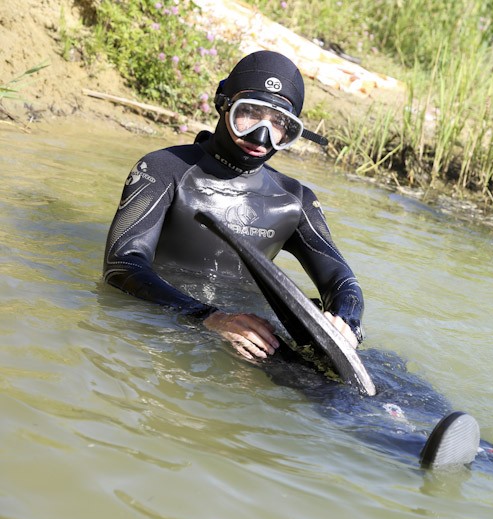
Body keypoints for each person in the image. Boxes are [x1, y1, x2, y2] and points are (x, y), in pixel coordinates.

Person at [103, 50, 364, 363]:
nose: (261, 134)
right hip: (175, 324)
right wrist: (209, 318)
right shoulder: (163, 169)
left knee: (385, 378)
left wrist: (345, 321)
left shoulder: (295, 199)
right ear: (223, 105)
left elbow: (341, 281)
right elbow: (122, 265)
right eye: (249, 112)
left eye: (280, 122)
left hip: (262, 337)